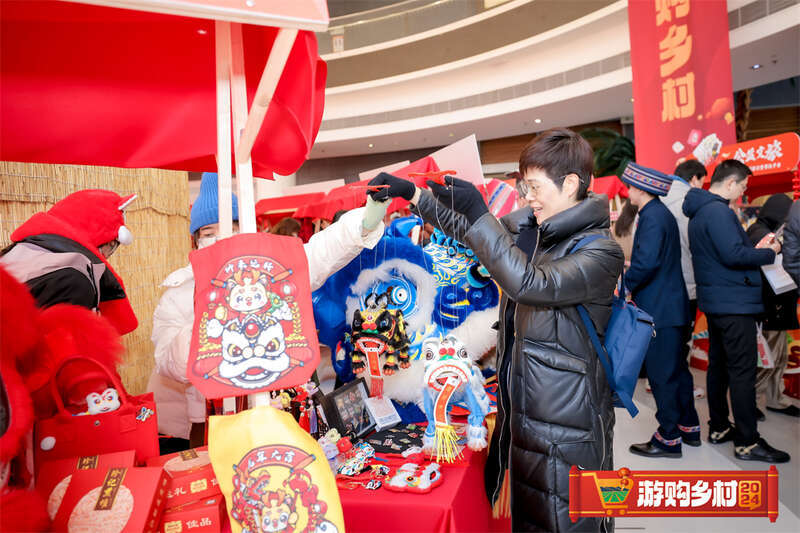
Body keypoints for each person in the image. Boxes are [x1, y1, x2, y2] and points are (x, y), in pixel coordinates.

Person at [370, 128, 624, 532]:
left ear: (572, 184)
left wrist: (482, 215)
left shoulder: (598, 250)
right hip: (522, 412)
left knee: (570, 522)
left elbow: (530, 284)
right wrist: (414, 197)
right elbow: (472, 234)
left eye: (535, 187)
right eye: (525, 186)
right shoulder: (533, 229)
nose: (527, 196)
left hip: (569, 421)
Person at [148, 172, 391, 446]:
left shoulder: (267, 273)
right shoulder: (180, 291)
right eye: (209, 233)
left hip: (268, 408)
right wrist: (213, 313)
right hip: (208, 424)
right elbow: (168, 362)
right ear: (195, 241)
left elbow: (317, 255)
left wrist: (363, 223)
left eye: (232, 229)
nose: (221, 239)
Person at [683, 159, 790, 463]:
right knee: (742, 371)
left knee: (719, 366)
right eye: (743, 187)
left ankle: (719, 427)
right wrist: (771, 251)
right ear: (730, 183)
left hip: (718, 301)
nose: (743, 193)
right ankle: (747, 441)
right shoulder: (718, 211)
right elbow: (733, 255)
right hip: (734, 303)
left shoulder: (702, 211)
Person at [621, 162, 699, 458]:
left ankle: (668, 437)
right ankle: (688, 426)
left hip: (660, 309)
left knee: (662, 375)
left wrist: (626, 284)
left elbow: (647, 263)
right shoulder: (660, 214)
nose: (628, 191)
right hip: (672, 307)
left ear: (641, 188)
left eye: (630, 186)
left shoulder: (652, 216)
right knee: (677, 371)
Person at [0, 189, 138, 335]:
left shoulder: (20, 251)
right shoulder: (74, 278)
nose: (109, 254)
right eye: (113, 244)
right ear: (101, 239)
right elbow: (64, 353)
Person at [746, 193, 799, 418]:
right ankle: (753, 401)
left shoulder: (758, 230)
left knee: (777, 357)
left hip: (775, 304)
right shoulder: (764, 235)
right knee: (768, 358)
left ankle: (774, 398)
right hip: (771, 305)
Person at [664, 160, 708, 398]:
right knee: (682, 342)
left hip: (663, 284)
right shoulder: (689, 203)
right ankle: (682, 388)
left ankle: (658, 381)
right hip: (687, 282)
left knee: (666, 341)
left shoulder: (659, 198)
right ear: (694, 179)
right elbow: (696, 244)